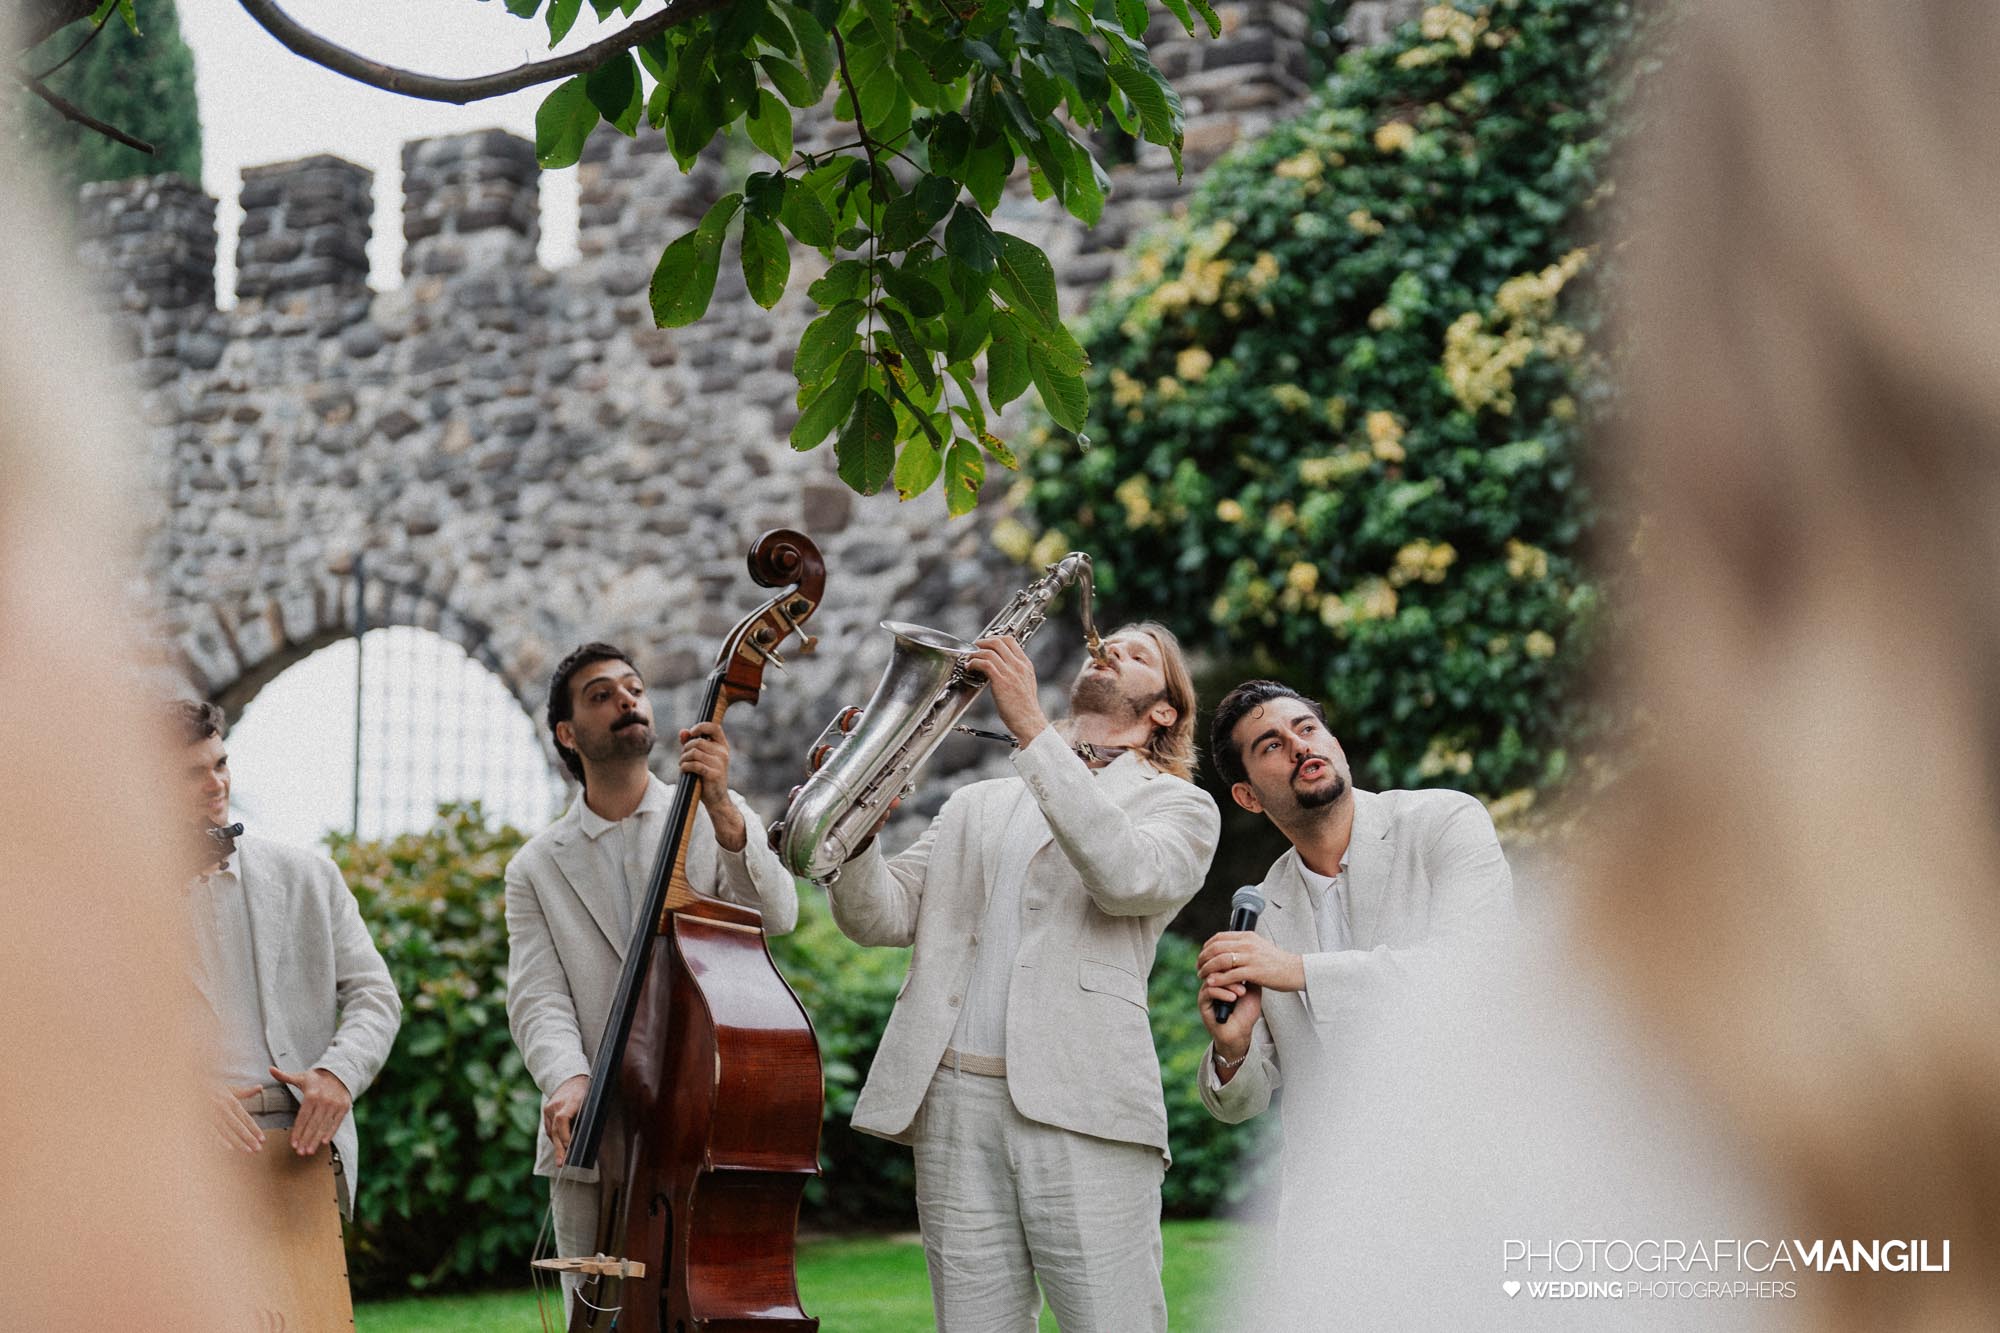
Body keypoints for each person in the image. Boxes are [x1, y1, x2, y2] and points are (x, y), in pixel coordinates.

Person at [825, 622, 1218, 1332]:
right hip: (952, 1105)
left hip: (1085, 1104)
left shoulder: (1181, 807)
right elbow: (880, 916)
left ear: (1164, 709)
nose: (1110, 650)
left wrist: (1032, 725)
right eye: (1109, 642)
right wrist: (856, 824)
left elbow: (1125, 877)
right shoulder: (979, 802)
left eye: (1136, 654)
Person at [503, 641, 800, 1303]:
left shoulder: (710, 814)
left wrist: (724, 806)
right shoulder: (534, 867)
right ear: (566, 732)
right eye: (600, 694)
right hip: (595, 1127)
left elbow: (778, 912)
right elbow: (536, 996)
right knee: (599, 1312)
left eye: (632, 687)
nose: (625, 700)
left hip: (707, 1118)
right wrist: (568, 1079)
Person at [1193, 679, 1512, 1203]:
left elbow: (1473, 970)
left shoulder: (1443, 822)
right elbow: (1238, 1105)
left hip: (1474, 1168)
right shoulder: (1263, 908)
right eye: (1271, 745)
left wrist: (1297, 971)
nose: (1300, 746)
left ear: (1334, 745)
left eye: (1308, 728)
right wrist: (1233, 1048)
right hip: (1340, 1204)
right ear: (1248, 797)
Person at [172, 699, 403, 1221]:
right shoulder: (118, 900)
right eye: (193, 774)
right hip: (180, 1149)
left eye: (221, 764)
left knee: (313, 1306)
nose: (216, 784)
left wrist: (338, 1075)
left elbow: (376, 996)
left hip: (303, 1140)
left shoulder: (311, 878)